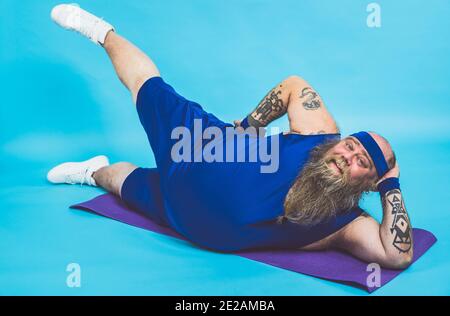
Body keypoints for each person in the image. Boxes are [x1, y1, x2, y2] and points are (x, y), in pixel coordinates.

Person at [47, 4, 413, 269]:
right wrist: (250, 126)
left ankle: (91, 172)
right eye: (351, 145)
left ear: (369, 182)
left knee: (116, 180)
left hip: (179, 214)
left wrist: (391, 186)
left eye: (360, 162)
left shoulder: (345, 223)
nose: (346, 156)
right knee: (147, 85)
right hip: (205, 145)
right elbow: (294, 85)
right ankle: (100, 31)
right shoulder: (320, 134)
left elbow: (397, 255)